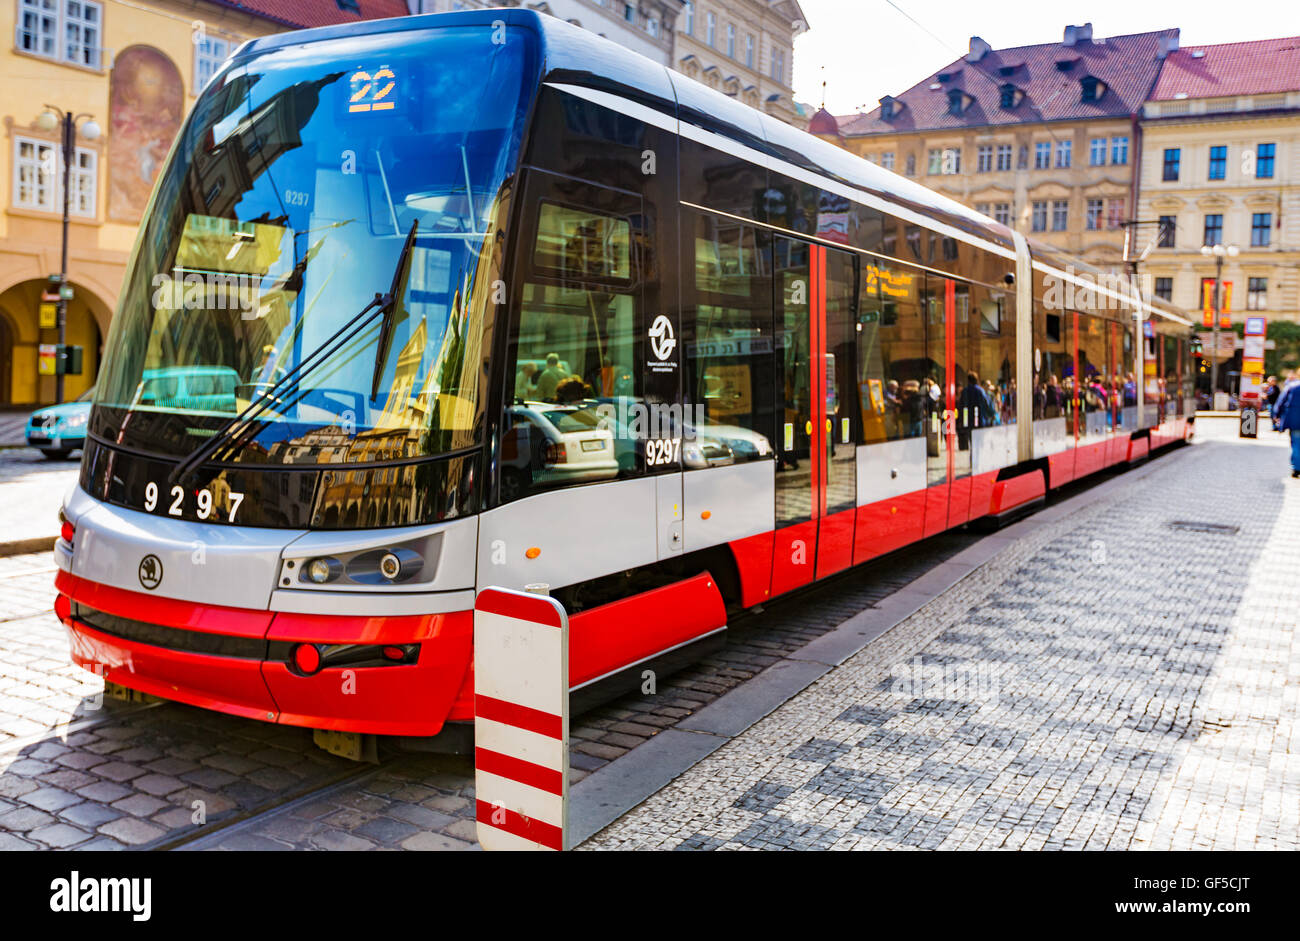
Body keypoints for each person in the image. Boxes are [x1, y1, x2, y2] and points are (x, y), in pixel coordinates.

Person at [1276, 372, 1300, 478]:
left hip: (1295, 421)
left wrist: (1276, 415)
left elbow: (1281, 401)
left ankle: (1296, 468)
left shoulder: (1292, 387)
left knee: (1296, 444)